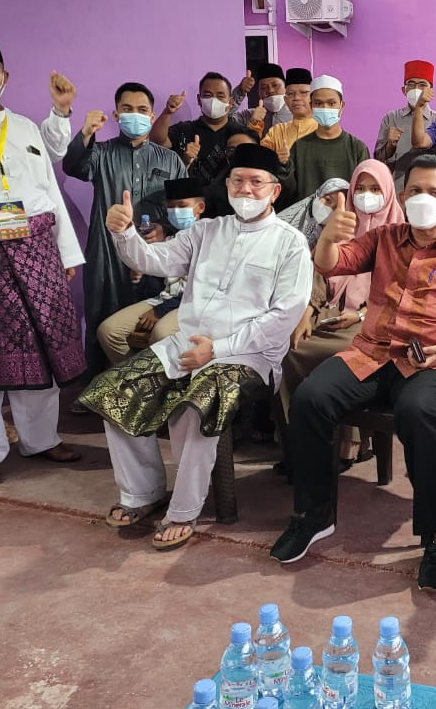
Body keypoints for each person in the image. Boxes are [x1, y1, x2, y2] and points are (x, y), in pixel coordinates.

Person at [270, 155, 436, 590]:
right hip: (372, 352)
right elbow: (333, 263)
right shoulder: (384, 238)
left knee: (417, 411)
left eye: (434, 193)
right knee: (309, 398)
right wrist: (328, 237)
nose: (423, 200)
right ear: (403, 195)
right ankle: (314, 514)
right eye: (415, 191)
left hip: (433, 359)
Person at [79, 144, 312, 550]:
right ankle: (142, 491)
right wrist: (124, 233)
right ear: (228, 185)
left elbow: (282, 318)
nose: (246, 190)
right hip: (185, 345)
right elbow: (155, 260)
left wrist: (217, 349)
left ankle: (185, 509)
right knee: (113, 390)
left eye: (257, 183)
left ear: (275, 191)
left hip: (249, 356)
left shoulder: (290, 243)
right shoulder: (207, 231)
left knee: (196, 404)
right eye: (238, 181)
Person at [0, 31, 85, 487]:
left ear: (4, 78)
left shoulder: (24, 127)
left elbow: (48, 190)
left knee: (42, 344)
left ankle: (41, 438)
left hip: (37, 250)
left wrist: (64, 251)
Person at [63, 82, 186, 373]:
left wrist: (165, 229)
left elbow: (187, 207)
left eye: (142, 110)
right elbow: (74, 166)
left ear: (152, 115)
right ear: (117, 115)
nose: (135, 115)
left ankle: (146, 383)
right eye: (127, 109)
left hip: (155, 255)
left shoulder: (170, 160)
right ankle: (98, 384)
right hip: (106, 253)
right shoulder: (101, 154)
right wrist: (86, 133)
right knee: (101, 319)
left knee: (148, 321)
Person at [281, 161, 405, 436]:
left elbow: (401, 293)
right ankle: (299, 433)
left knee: (346, 353)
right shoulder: (341, 225)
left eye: (375, 189)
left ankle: (349, 439)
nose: (366, 195)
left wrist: (361, 315)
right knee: (291, 347)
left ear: (388, 192)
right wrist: (306, 313)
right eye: (360, 188)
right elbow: (319, 274)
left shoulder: (401, 234)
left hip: (376, 323)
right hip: (331, 311)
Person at [95, 177, 207, 365]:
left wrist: (160, 311)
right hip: (162, 298)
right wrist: (139, 276)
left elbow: (203, 289)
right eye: (171, 207)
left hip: (191, 304)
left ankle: (163, 378)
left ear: (200, 207)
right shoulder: (166, 237)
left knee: (161, 334)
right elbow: (151, 275)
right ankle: (133, 377)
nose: (176, 212)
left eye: (182, 206)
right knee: (108, 332)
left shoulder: (210, 238)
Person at [278, 75, 369, 204]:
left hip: (345, 215)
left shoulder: (357, 148)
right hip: (307, 216)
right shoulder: (299, 147)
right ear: (311, 106)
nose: (325, 108)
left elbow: (364, 192)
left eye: (331, 103)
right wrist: (283, 165)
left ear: (341, 106)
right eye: (318, 103)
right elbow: (288, 194)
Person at [150, 73, 241, 186]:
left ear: (230, 102)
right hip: (190, 195)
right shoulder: (184, 129)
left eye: (220, 95)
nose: (213, 100)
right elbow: (157, 141)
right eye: (207, 95)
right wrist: (167, 112)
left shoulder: (240, 134)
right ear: (199, 99)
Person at [374, 60, 436, 192]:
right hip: (398, 191)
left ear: (431, 91)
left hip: (430, 192)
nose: (416, 89)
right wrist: (389, 146)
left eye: (422, 85)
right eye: (411, 84)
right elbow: (378, 160)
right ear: (404, 90)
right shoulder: (391, 118)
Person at [261, 67, 318, 161]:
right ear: (285, 100)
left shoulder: (325, 130)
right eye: (291, 94)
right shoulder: (276, 131)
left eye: (303, 92)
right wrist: (276, 160)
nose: (296, 98)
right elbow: (262, 162)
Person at [230, 63, 291, 137]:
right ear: (259, 93)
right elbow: (223, 121)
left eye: (275, 85)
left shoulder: (298, 116)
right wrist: (240, 92)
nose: (270, 90)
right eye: (263, 88)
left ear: (286, 88)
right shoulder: (250, 115)